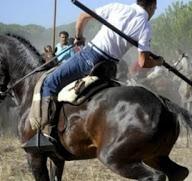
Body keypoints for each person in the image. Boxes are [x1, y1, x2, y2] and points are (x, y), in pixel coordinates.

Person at [37, 0, 162, 146]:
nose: (154, 12)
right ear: (152, 6)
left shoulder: (117, 7)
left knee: (50, 82)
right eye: (155, 8)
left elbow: (83, 16)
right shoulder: (146, 27)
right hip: (109, 67)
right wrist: (157, 62)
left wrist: (79, 36)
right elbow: (143, 62)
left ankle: (47, 132)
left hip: (90, 57)